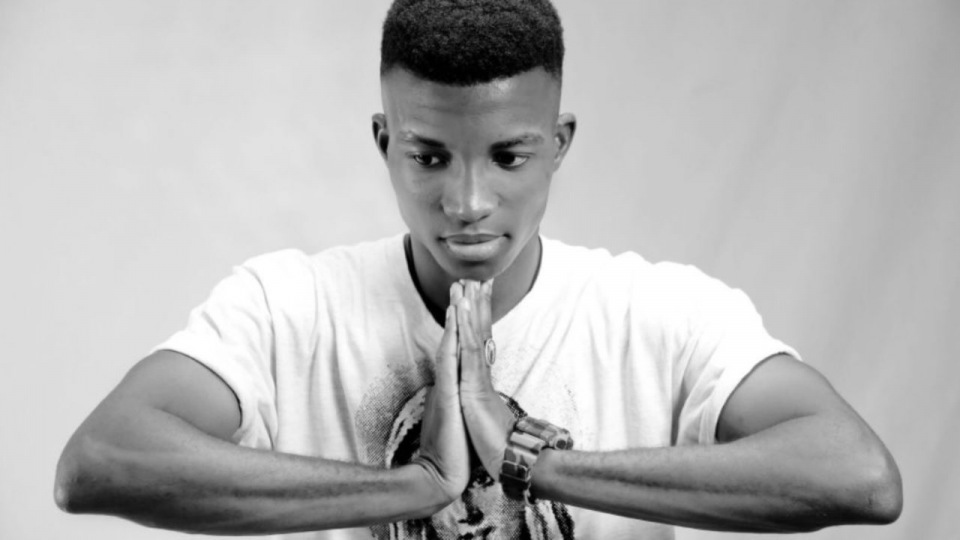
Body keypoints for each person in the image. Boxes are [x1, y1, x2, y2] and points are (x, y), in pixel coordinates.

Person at [54, 0, 902, 538]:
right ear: (384, 142)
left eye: (508, 156)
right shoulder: (289, 307)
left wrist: (533, 463)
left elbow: (859, 477)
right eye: (429, 156)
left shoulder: (657, 314)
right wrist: (415, 486)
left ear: (558, 145)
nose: (466, 202)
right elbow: (100, 462)